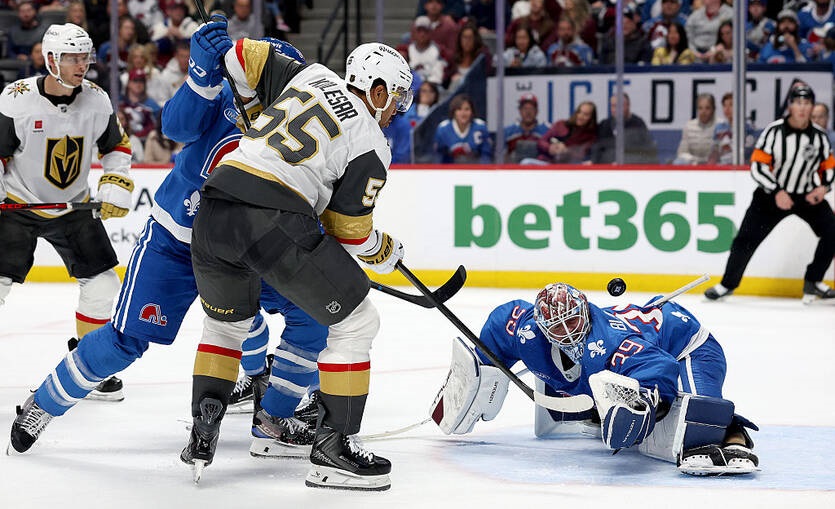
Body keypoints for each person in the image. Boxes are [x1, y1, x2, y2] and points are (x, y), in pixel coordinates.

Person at [7, 24, 328, 461]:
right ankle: (42, 405)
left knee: (312, 315)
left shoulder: (301, 124)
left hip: (248, 251)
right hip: (177, 243)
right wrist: (200, 76)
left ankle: (273, 414)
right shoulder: (224, 96)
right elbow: (176, 126)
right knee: (124, 340)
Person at [181, 35, 413, 491]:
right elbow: (349, 231)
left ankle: (203, 431)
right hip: (272, 217)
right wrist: (382, 251)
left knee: (224, 328)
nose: (397, 110)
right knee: (357, 322)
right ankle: (334, 448)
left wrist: (252, 106)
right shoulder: (371, 142)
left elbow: (240, 53)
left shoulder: (312, 75)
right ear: (378, 89)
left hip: (213, 210)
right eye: (396, 98)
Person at [430, 282, 759, 476]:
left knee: (696, 422)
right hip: (646, 344)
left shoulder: (611, 341)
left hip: (689, 347)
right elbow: (498, 328)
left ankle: (734, 434)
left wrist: (646, 404)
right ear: (540, 326)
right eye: (556, 327)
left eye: (573, 321)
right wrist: (479, 368)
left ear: (585, 309)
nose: (567, 332)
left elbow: (659, 367)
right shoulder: (524, 328)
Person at [0, 23, 132, 400]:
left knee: (103, 283)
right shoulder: (16, 99)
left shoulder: (97, 99)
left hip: (73, 205)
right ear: (51, 59)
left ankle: (89, 367)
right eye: (72, 57)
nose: (82, 65)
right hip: (18, 204)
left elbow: (116, 146)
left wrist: (114, 183)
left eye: (84, 57)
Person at [704, 84, 835, 303]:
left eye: (807, 103)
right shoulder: (774, 131)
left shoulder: (819, 137)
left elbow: (828, 167)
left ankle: (814, 280)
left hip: (805, 195)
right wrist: (776, 190)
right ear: (790, 106)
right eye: (798, 103)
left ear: (812, 106)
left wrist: (824, 187)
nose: (802, 108)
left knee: (832, 231)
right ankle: (727, 284)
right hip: (770, 196)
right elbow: (758, 165)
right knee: (746, 239)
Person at [591, 93, 658, 164]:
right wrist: (594, 161)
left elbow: (646, 150)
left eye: (619, 106)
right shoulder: (605, 124)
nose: (616, 109)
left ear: (628, 106)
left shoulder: (638, 124)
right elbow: (598, 147)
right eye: (613, 106)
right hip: (607, 166)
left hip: (630, 166)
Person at [434, 94, 492, 164]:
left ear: (472, 111)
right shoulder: (443, 129)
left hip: (475, 168)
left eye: (467, 109)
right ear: (454, 112)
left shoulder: (480, 127)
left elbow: (486, 155)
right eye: (459, 109)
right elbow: (438, 156)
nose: (463, 113)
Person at [502, 93, 549, 163]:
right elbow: (499, 157)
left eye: (531, 109)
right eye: (525, 108)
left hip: (538, 168)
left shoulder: (545, 131)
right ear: (520, 111)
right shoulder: (508, 132)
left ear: (537, 111)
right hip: (514, 168)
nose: (528, 112)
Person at [674, 93, 717, 165]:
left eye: (707, 108)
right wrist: (694, 161)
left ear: (713, 109)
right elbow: (682, 152)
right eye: (700, 108)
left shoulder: (720, 125)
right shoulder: (689, 126)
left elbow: (724, 152)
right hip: (693, 164)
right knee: (678, 162)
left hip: (715, 166)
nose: (703, 112)